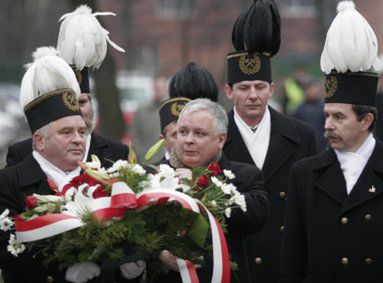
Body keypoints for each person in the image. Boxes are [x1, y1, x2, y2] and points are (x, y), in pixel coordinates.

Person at [280, 2, 383, 282]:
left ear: (366, 121)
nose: (327, 125)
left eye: (339, 117)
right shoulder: (304, 174)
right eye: (326, 115)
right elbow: (292, 262)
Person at [223, 1, 317, 282]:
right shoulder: (213, 137)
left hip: (283, 265)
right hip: (235, 266)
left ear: (272, 89)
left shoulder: (302, 136)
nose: (253, 95)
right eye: (244, 88)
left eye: (260, 87)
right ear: (228, 91)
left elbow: (309, 209)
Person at [154, 98, 268, 283]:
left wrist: (200, 186)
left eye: (199, 133)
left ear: (221, 139)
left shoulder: (245, 175)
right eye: (183, 132)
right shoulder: (153, 175)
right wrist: (158, 253)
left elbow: (256, 217)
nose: (189, 140)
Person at [6, 5, 128, 169]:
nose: (75, 110)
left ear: (92, 103)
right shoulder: (22, 153)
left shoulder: (117, 152)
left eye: (82, 102)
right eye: (69, 104)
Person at [130, 75, 168, 162]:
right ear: (153, 88)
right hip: (146, 160)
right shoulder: (142, 111)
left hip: (167, 161)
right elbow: (134, 133)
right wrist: (140, 152)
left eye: (161, 87)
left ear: (165, 88)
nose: (159, 90)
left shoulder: (171, 111)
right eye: (156, 87)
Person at [293, 80, 327, 152]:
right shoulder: (299, 109)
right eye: (308, 90)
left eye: (312, 90)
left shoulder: (323, 107)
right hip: (305, 144)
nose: (311, 92)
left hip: (321, 144)